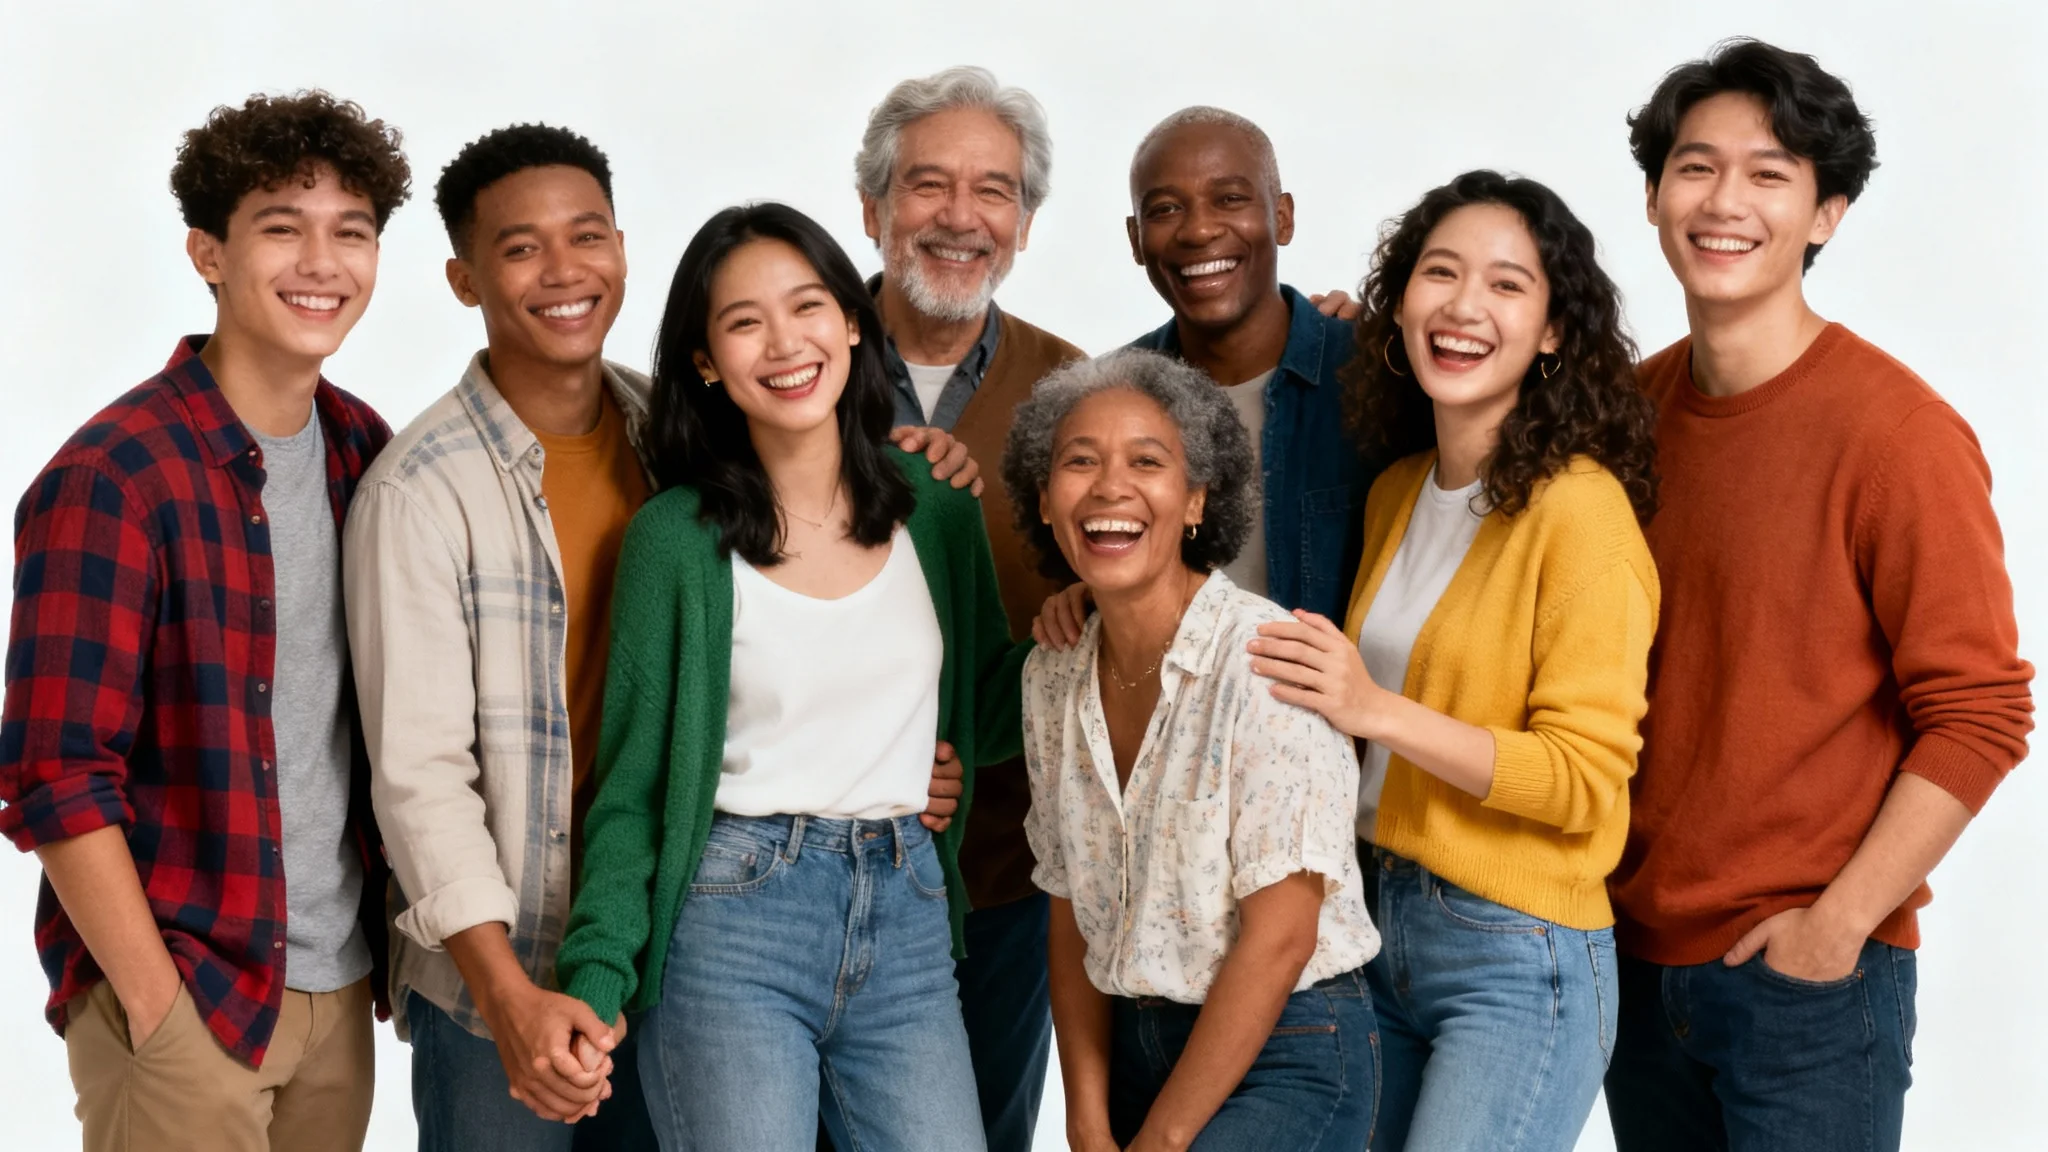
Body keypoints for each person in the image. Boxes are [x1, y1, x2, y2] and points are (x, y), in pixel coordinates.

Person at [346, 126, 979, 1151]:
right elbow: (419, 779)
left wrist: (921, 757)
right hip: (511, 946)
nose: (563, 271)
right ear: (463, 277)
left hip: (666, 903)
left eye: (586, 236)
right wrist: (508, 991)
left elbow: (936, 680)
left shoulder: (667, 440)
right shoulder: (422, 493)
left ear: (623, 250)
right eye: (521, 248)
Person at [1603, 39, 2034, 1152]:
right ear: (1654, 195)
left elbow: (1979, 713)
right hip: (1631, 971)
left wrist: (1836, 925)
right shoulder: (1625, 418)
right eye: (1694, 168)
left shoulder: (1895, 435)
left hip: (1805, 982)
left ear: (1825, 213)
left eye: (1768, 174)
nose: (1723, 202)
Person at [552, 202, 1029, 1151]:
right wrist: (595, 974)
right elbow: (634, 788)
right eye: (743, 322)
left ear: (853, 320)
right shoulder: (674, 542)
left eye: (807, 306)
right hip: (735, 922)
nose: (784, 342)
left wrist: (1105, 615)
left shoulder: (934, 508)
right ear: (705, 362)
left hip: (907, 916)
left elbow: (984, 708)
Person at [0, 91, 410, 1152]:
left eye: (351, 232)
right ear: (207, 253)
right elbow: (53, 769)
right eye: (282, 226)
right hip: (189, 990)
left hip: (336, 989)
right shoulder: (116, 477)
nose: (321, 261)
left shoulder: (366, 451)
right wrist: (154, 1004)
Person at [1248, 170, 1660, 1151]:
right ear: (1397, 310)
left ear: (1554, 331)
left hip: (1516, 954)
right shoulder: (1396, 490)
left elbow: (1579, 783)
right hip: (1375, 925)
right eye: (1439, 273)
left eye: (1507, 285)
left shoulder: (1578, 511)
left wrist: (1375, 710)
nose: (1463, 305)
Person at [1002, 348, 1380, 1151]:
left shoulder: (1267, 661)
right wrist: (1086, 1123)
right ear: (1043, 499)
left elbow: (1283, 936)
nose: (1110, 487)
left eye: (1148, 461)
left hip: (1290, 1045)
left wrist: (1163, 1140)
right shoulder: (1049, 675)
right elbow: (1072, 910)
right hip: (1135, 1051)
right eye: (1079, 462)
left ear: (1197, 500)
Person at [853, 66, 1083, 1149]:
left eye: (992, 192)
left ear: (1025, 224)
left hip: (1000, 875)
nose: (958, 218)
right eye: (926, 185)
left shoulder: (1074, 392)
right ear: (872, 209)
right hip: (794, 872)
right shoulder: (789, 356)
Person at [1123, 106, 1381, 620]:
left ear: (1282, 217)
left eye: (1230, 199)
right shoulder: (1111, 399)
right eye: (1166, 209)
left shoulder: (1378, 376)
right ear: (1135, 240)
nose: (1198, 231)